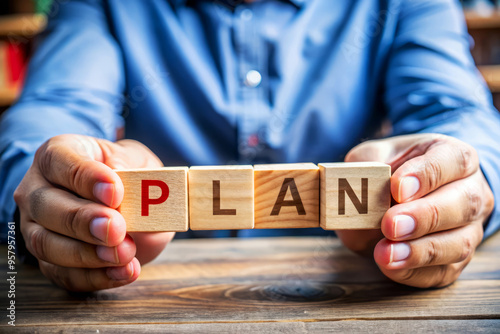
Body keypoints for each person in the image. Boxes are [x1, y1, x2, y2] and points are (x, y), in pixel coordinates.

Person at [0, 0, 499, 292]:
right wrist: (52, 189)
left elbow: (461, 118)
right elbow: (48, 117)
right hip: (161, 289)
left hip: (354, 283)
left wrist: (461, 180)